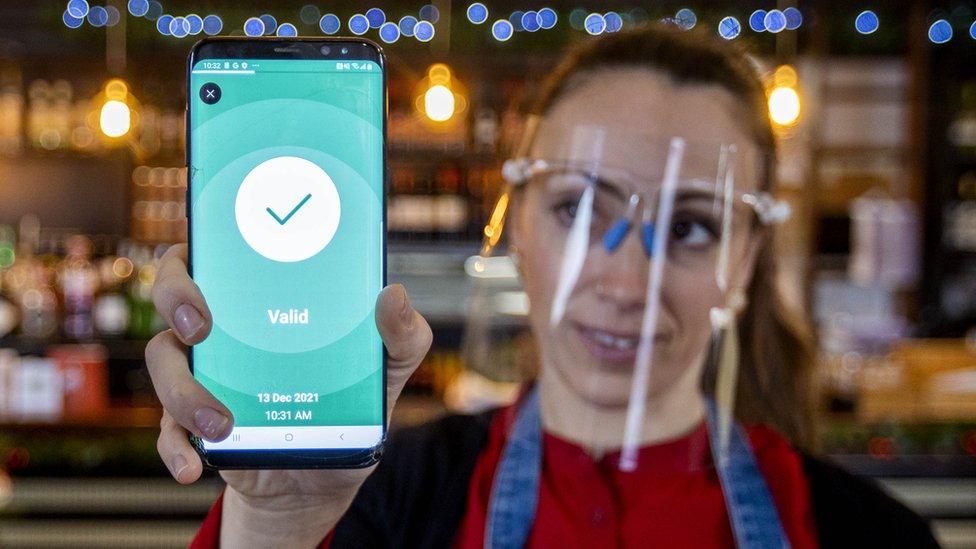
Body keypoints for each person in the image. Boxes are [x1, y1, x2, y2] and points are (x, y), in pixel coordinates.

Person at [146, 25, 938, 548]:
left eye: (694, 225)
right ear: (518, 224)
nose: (629, 279)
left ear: (748, 256)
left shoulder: (873, 537)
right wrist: (275, 519)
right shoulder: (383, 505)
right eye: (578, 208)